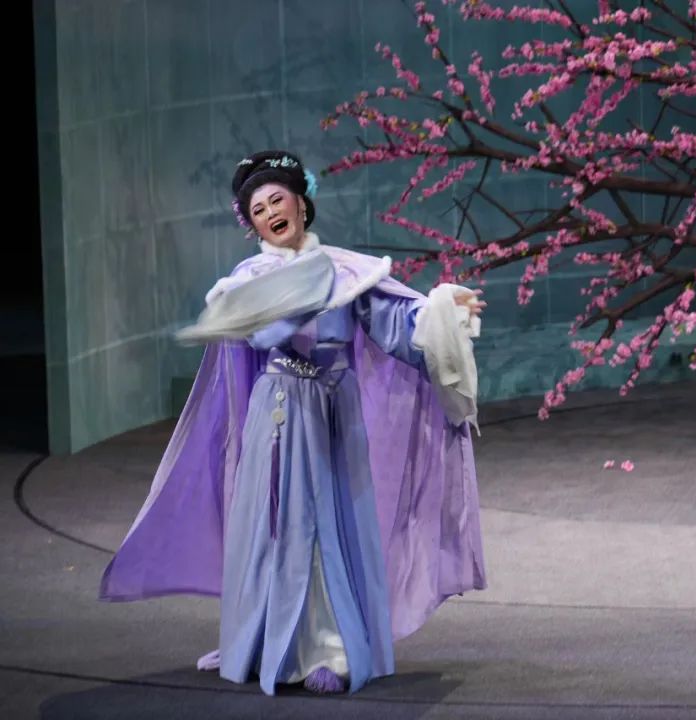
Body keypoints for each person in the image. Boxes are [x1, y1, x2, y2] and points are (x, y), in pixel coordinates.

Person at [100, 150, 488, 694]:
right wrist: (289, 301)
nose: (269, 214)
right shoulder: (251, 280)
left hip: (333, 413)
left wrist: (444, 311)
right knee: (279, 524)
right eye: (257, 210)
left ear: (301, 203)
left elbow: (396, 323)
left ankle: (330, 650)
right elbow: (256, 332)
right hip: (281, 412)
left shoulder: (347, 271)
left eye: (276, 200)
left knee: (331, 526)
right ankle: (270, 644)